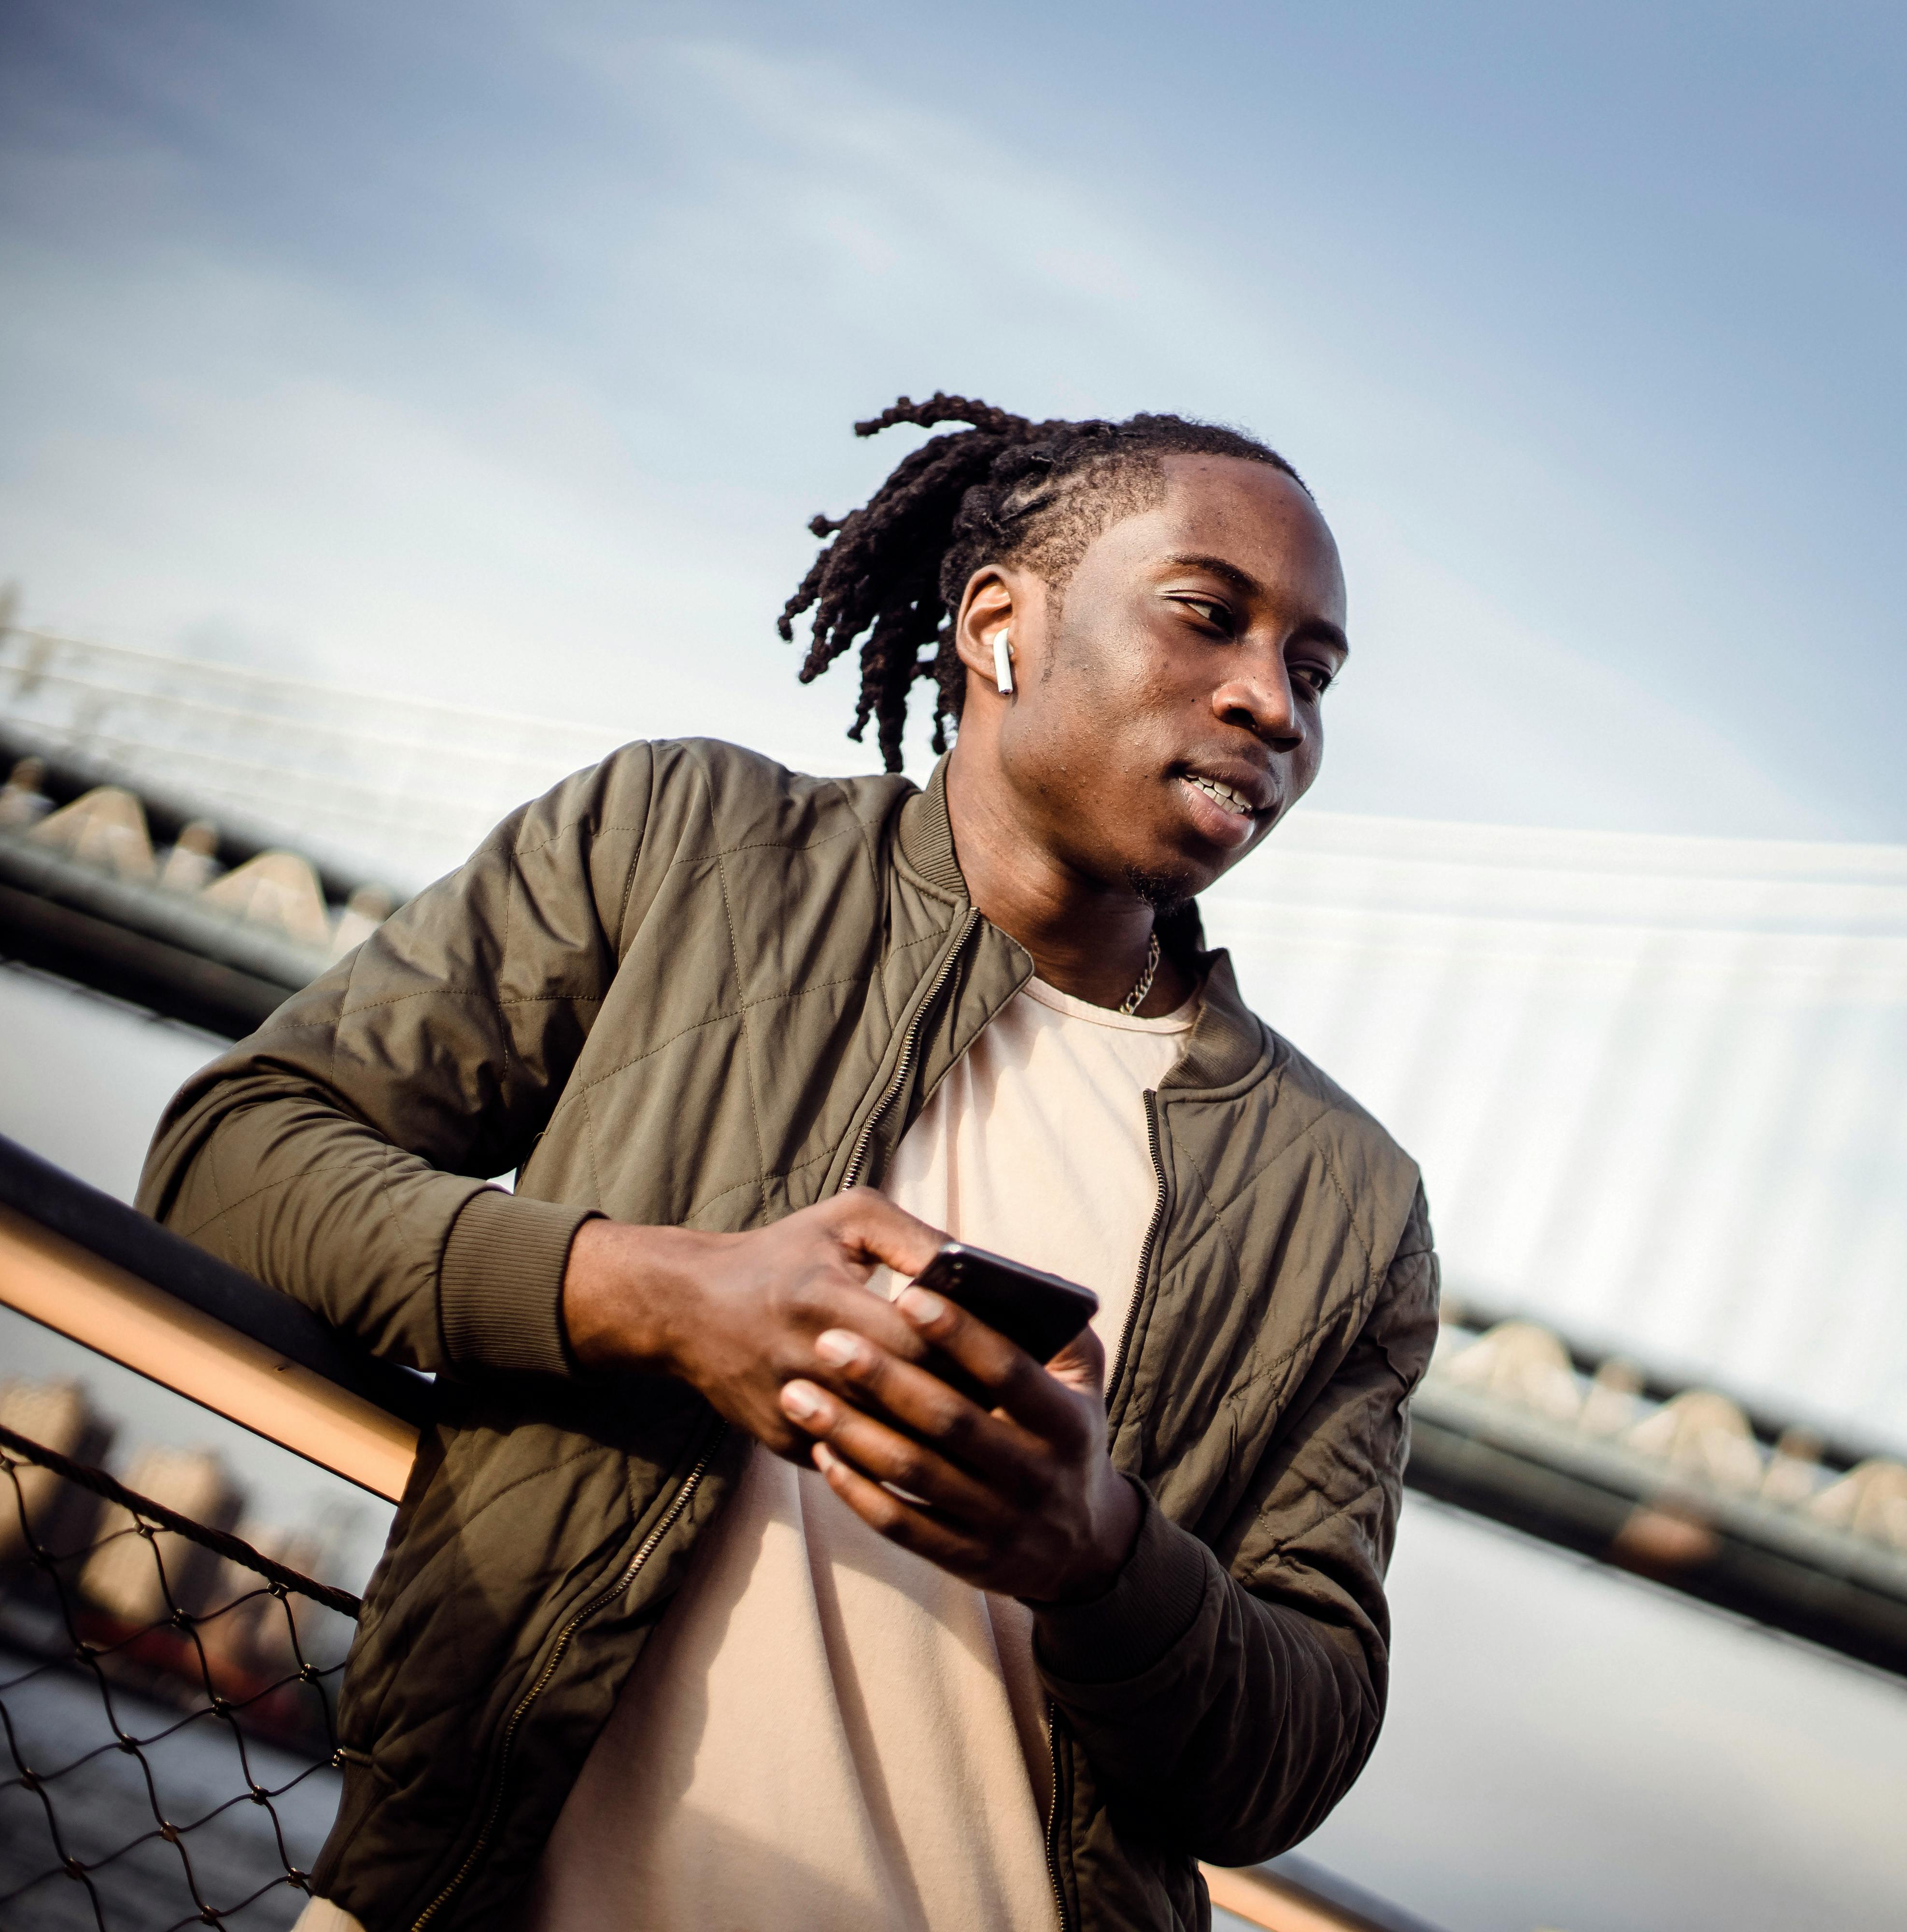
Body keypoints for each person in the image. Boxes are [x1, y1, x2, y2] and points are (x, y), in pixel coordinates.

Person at [139, 395, 1438, 1932]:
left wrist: (1100, 1556)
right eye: (1209, 618)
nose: (1271, 706)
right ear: (1000, 625)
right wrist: (652, 1293)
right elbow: (226, 1163)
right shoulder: (678, 842)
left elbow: (1291, 1754)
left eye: (1311, 671)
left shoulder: (1351, 1206)